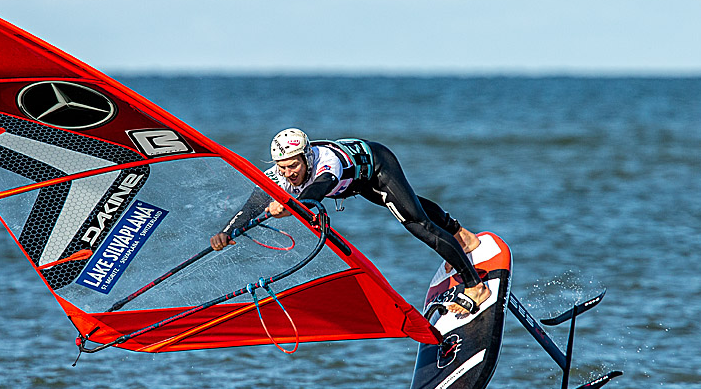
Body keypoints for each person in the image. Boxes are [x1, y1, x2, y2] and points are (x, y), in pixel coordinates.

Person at [209, 128, 491, 316]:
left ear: (307, 157)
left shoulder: (326, 164)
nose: (289, 174)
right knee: (411, 206)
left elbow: (313, 195)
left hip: (377, 167)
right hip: (356, 183)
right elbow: (252, 205)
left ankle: (475, 286)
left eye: (294, 166)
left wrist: (289, 206)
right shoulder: (279, 173)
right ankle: (463, 237)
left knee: (416, 223)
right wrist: (226, 232)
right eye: (283, 168)